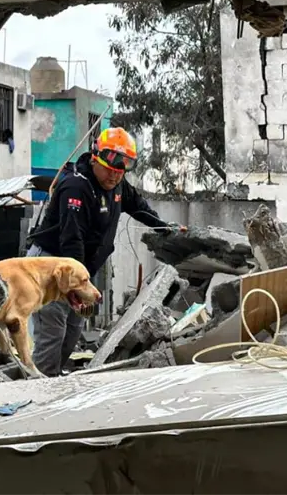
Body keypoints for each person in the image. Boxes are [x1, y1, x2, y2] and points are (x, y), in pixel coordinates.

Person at [26, 126, 184, 376]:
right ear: (95, 158)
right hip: (53, 266)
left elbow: (138, 206)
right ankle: (36, 391)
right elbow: (71, 239)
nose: (114, 177)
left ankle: (53, 378)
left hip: (80, 270)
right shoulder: (76, 187)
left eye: (120, 172)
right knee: (53, 332)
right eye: (110, 170)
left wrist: (166, 229)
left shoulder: (117, 185)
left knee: (73, 331)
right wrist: (76, 287)